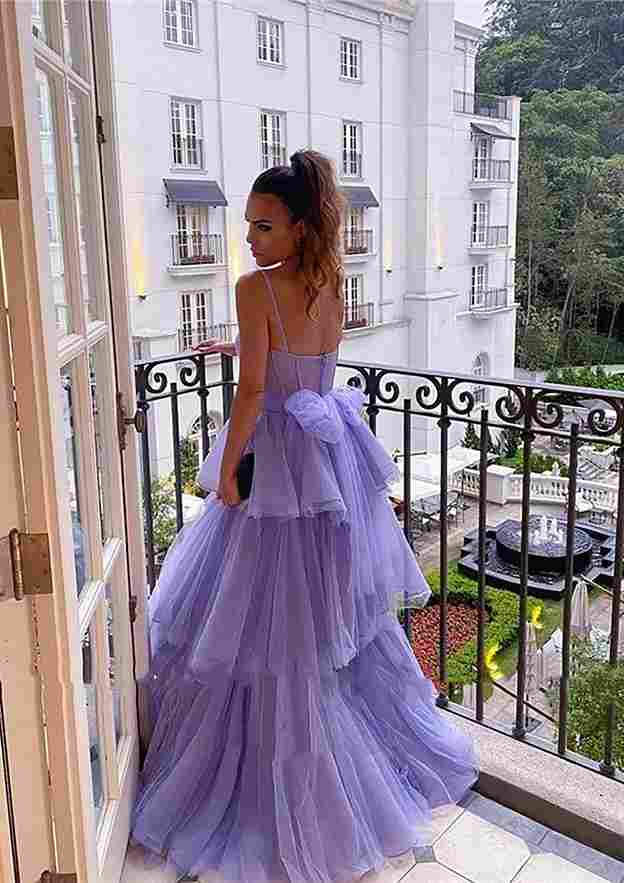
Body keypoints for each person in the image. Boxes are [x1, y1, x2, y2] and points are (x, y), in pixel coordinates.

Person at [131, 150, 478, 883]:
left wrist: (227, 471)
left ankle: (275, 782)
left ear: (297, 228)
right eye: (247, 225)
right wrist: (241, 344)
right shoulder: (331, 281)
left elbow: (255, 392)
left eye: (262, 226)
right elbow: (302, 362)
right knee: (321, 616)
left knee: (252, 616)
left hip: (278, 464)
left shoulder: (254, 288)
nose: (248, 238)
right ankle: (342, 766)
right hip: (327, 460)